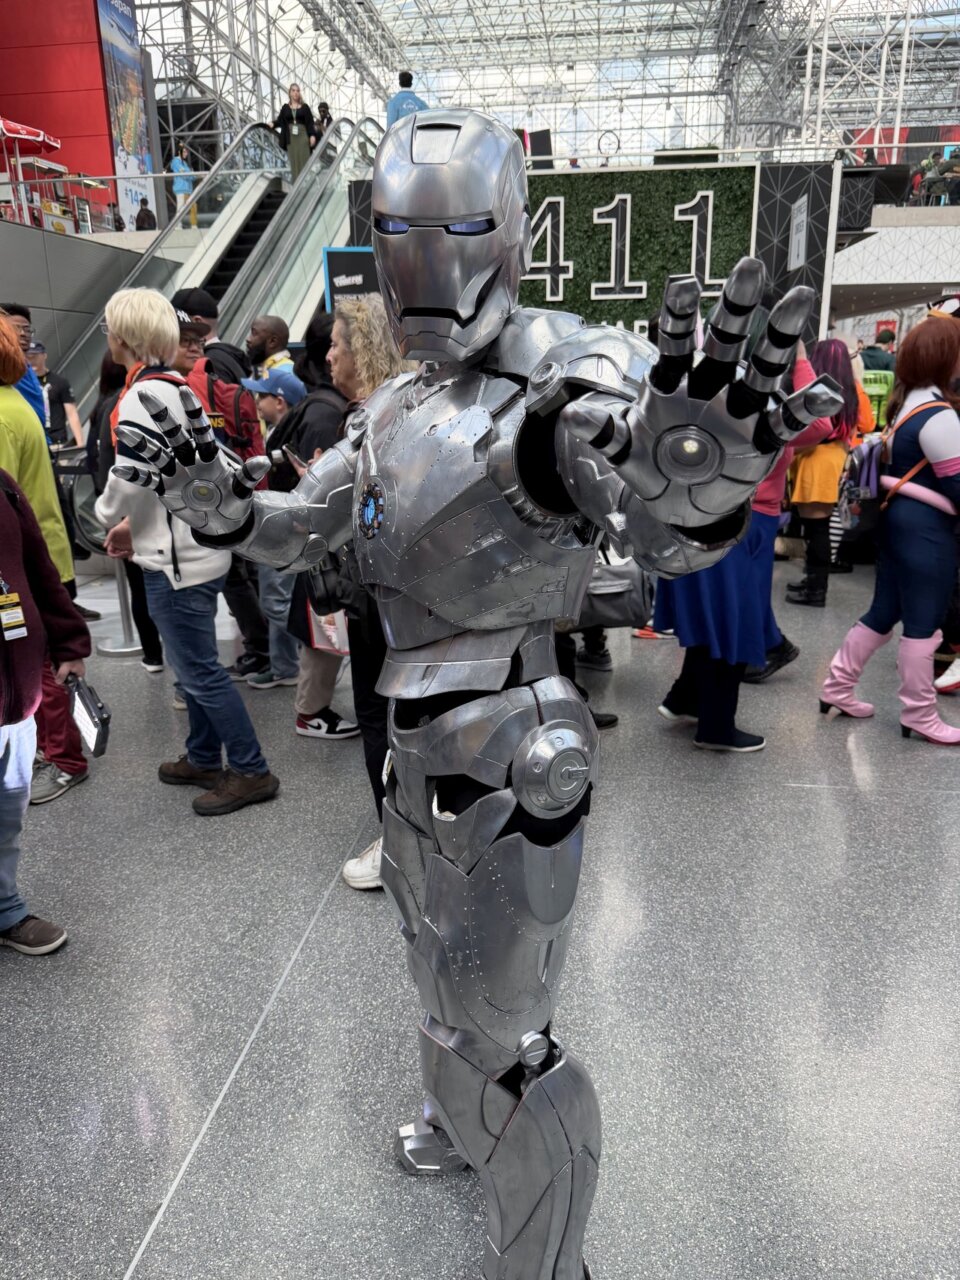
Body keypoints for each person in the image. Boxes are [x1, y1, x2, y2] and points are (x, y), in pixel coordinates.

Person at [113, 109, 825, 1280]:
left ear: (510, 233)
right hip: (411, 735)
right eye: (400, 233)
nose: (425, 262)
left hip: (508, 731)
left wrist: (691, 487)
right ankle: (453, 1121)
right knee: (431, 960)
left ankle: (548, 1262)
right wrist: (224, 505)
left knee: (503, 1030)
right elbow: (305, 522)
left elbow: (645, 504)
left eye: (452, 231)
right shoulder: (399, 404)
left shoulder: (567, 374)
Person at [96, 287, 279, 815]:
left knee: (198, 670)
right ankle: (202, 756)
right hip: (195, 550)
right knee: (192, 665)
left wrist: (106, 514)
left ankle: (250, 769)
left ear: (125, 335)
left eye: (110, 328)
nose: (107, 337)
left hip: (175, 563)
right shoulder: (178, 387)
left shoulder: (140, 396)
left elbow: (130, 477)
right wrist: (135, 524)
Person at [821, 315, 960, 743]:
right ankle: (919, 714)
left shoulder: (906, 408)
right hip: (927, 531)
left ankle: (837, 686)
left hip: (898, 522)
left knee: (884, 612)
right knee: (923, 623)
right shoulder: (939, 415)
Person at [0, 317, 90, 804]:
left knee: (41, 669)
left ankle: (64, 758)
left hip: (21, 565)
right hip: (37, 554)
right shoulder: (15, 399)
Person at [0, 468, 89, 955]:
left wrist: (68, 642)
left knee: (7, 816)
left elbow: (39, 569)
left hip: (17, 702)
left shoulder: (2, 486)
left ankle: (5, 908)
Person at [237, 366, 309, 690]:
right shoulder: (278, 433)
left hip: (283, 531)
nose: (256, 402)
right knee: (280, 598)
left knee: (276, 602)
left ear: (280, 401)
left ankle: (321, 648)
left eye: (262, 396)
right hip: (279, 527)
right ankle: (285, 666)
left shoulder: (290, 439)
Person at [787, 337, 873, 607]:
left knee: (817, 529)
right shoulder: (852, 390)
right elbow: (864, 425)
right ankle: (813, 582)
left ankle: (816, 589)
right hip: (832, 459)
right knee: (817, 527)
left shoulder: (819, 390)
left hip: (814, 459)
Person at [170, 287, 251, 382]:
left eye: (184, 340)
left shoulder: (209, 363)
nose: (194, 348)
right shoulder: (229, 357)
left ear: (197, 321)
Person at [27, 342, 83, 447]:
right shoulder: (24, 384)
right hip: (35, 440)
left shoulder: (60, 382)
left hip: (57, 440)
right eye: (28, 357)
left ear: (44, 356)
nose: (32, 360)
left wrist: (80, 443)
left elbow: (72, 413)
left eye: (35, 356)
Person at [1, 303, 45, 426]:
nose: (22, 333)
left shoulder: (27, 368)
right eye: (15, 328)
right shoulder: (4, 368)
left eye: (27, 329)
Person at [273, 84, 317, 180]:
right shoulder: (285, 108)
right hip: (291, 138)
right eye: (293, 90)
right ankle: (297, 186)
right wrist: (273, 124)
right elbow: (280, 120)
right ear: (289, 93)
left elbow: (310, 122)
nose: (295, 93)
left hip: (303, 136)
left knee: (304, 161)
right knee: (294, 163)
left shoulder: (305, 107)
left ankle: (306, 184)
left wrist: (312, 135)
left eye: (297, 91)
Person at [170, 144, 194, 215]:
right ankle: (179, 221)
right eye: (184, 152)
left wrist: (189, 174)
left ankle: (185, 221)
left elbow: (190, 175)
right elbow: (184, 173)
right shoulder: (176, 161)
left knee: (192, 207)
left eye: (186, 152)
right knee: (180, 208)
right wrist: (190, 173)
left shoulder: (184, 163)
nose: (186, 154)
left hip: (187, 189)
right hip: (181, 188)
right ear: (179, 152)